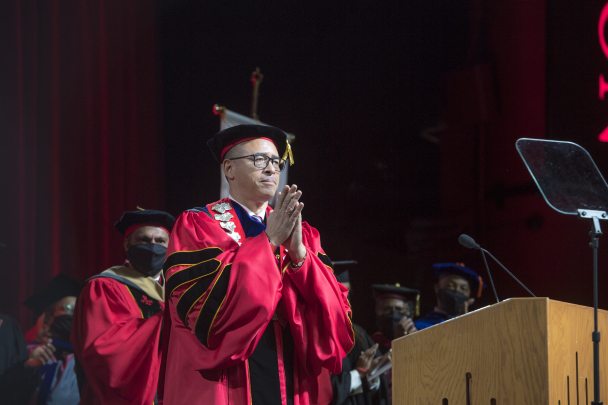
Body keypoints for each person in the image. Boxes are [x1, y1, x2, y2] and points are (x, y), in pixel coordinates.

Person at [158, 124, 354, 405]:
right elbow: (204, 312)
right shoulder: (198, 225)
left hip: (289, 373)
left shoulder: (303, 234)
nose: (272, 169)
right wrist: (269, 241)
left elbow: (337, 316)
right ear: (229, 169)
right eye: (259, 160)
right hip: (229, 380)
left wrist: (299, 256)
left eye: (276, 162)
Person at [71, 209, 175, 405]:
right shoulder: (104, 287)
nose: (153, 247)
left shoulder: (177, 290)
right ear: (127, 244)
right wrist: (168, 322)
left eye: (160, 241)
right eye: (144, 239)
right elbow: (104, 350)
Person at [1, 273, 81, 405]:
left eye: (77, 310)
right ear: (49, 316)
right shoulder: (28, 352)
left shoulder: (84, 361)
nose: (73, 314)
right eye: (68, 308)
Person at [329, 270, 390, 405]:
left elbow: (376, 391)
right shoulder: (322, 339)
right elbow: (325, 393)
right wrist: (359, 373)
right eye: (339, 294)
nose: (345, 300)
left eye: (347, 293)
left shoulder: (359, 333)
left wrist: (372, 374)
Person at [414, 263, 483, 330]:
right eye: (451, 286)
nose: (457, 291)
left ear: (469, 294)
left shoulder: (476, 327)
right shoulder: (419, 327)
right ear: (437, 288)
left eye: (463, 288)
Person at [370, 284, 420, 352]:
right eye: (387, 309)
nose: (394, 314)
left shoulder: (419, 340)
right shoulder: (370, 343)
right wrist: (399, 341)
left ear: (410, 314)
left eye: (399, 309)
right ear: (378, 312)